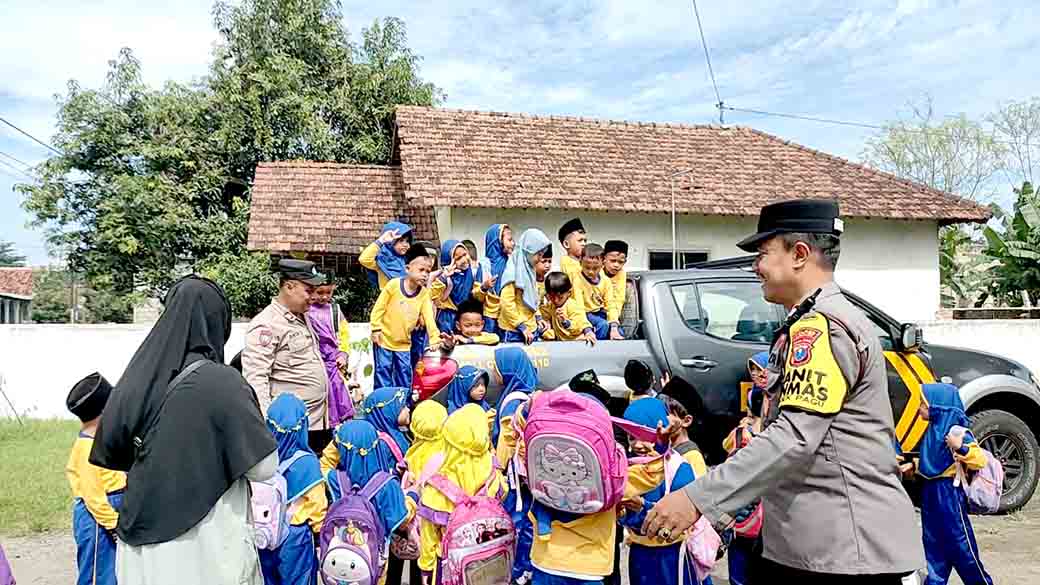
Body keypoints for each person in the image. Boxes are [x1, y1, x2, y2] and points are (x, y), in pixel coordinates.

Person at [643, 199, 925, 583]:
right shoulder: (810, 322)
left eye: (763, 253)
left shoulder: (822, 329)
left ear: (799, 254)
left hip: (839, 551)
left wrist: (697, 498)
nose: (756, 266)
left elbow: (794, 438)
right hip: (813, 546)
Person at [90, 276, 278, 585]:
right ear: (218, 323)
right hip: (207, 545)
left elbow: (115, 447)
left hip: (141, 542)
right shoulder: (224, 383)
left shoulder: (137, 377)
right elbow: (263, 468)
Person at [243, 259, 331, 452]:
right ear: (289, 287)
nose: (314, 297)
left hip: (317, 423)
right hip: (291, 429)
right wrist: (267, 426)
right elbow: (256, 377)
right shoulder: (267, 324)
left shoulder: (302, 316)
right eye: (309, 291)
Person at [417, 404, 508, 584]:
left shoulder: (438, 487)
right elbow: (503, 494)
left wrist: (426, 567)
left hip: (450, 563)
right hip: (488, 556)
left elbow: (429, 534)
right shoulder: (492, 473)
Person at [619, 397, 704, 585]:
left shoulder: (678, 467)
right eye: (632, 437)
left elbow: (686, 514)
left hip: (671, 556)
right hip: (639, 555)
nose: (638, 445)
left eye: (646, 437)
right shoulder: (628, 467)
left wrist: (644, 508)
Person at [915, 383, 993, 585]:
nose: (919, 409)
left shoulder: (957, 431)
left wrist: (961, 448)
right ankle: (934, 581)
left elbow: (979, 460)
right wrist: (913, 466)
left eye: (923, 404)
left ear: (939, 406)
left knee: (961, 545)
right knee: (933, 545)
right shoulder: (931, 431)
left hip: (948, 493)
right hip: (930, 494)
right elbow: (928, 462)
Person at [326, 420, 413, 582]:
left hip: (341, 555)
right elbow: (402, 520)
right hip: (374, 557)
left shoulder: (334, 479)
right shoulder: (387, 484)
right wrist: (412, 498)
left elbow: (325, 464)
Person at [260, 394, 328, 585]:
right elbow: (317, 507)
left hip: (264, 531)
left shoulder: (261, 458)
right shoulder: (307, 463)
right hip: (295, 536)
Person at [66, 373, 125, 585]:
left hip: (108, 513)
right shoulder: (87, 448)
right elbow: (93, 497)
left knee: (113, 573)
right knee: (97, 575)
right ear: (105, 412)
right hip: (98, 520)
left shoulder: (98, 441)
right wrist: (113, 525)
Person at [369, 244, 442, 389]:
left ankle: (404, 404)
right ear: (408, 269)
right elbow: (379, 308)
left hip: (404, 343)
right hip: (384, 340)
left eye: (428, 271)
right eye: (421, 270)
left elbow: (429, 318)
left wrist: (434, 338)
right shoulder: (393, 285)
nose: (425, 275)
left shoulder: (423, 295)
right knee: (382, 372)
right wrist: (376, 328)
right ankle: (383, 404)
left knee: (405, 375)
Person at [308, 277, 354, 426]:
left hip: (333, 361)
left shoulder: (335, 310)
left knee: (338, 392)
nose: (324, 297)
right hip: (314, 361)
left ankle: (340, 426)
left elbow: (344, 333)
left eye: (329, 292)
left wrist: (343, 353)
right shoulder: (305, 309)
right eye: (320, 292)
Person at [500, 229, 553, 344]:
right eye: (538, 254)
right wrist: (521, 326)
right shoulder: (512, 273)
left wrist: (538, 318)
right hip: (513, 331)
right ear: (528, 251)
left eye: (542, 255)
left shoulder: (529, 271)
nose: (540, 259)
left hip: (530, 329)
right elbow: (506, 304)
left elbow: (533, 298)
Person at [431, 239, 494, 335]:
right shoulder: (444, 276)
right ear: (449, 260)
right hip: (448, 319)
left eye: (465, 254)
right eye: (458, 258)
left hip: (467, 318)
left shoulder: (472, 273)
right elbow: (432, 296)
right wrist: (444, 277)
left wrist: (483, 288)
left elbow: (475, 297)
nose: (464, 260)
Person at [570, 243, 615, 340]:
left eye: (595, 268)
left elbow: (611, 305)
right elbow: (579, 308)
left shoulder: (606, 281)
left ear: (603, 264)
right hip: (584, 313)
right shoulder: (577, 280)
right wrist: (587, 329)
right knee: (603, 325)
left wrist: (614, 326)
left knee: (619, 331)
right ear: (580, 262)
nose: (591, 271)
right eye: (587, 267)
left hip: (599, 312)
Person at [540, 272, 596, 345]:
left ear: (569, 293)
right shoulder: (550, 305)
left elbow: (581, 324)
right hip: (561, 341)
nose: (556, 300)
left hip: (576, 340)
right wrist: (542, 322)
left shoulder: (572, 306)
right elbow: (542, 312)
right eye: (552, 297)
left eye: (560, 297)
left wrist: (566, 322)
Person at [478, 224, 515, 333]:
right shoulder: (484, 266)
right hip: (488, 314)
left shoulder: (512, 263)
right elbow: (475, 295)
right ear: (497, 242)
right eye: (509, 240)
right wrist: (484, 287)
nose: (513, 243)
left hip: (507, 313)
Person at [360, 221, 415, 290]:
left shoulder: (408, 260)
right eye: (401, 241)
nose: (405, 244)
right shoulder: (382, 261)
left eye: (407, 241)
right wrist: (381, 240)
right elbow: (364, 259)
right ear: (390, 243)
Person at [602, 240, 629, 340]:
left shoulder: (621, 274)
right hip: (594, 311)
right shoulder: (596, 271)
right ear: (604, 259)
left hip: (612, 315)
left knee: (620, 334)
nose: (616, 265)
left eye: (620, 262)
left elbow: (619, 299)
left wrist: (613, 322)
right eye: (613, 261)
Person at [557, 217, 587, 283]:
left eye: (585, 241)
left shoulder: (584, 261)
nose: (583, 244)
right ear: (566, 244)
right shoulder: (566, 262)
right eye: (580, 240)